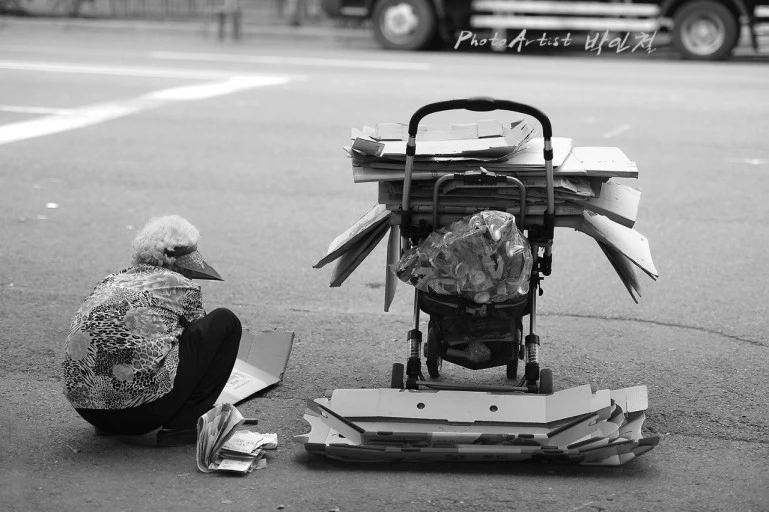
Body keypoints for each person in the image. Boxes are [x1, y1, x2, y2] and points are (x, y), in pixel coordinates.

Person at [62, 215, 242, 447]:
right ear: (179, 263)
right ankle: (182, 426)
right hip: (142, 414)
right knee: (225, 321)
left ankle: (107, 425)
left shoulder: (111, 281)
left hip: (87, 408)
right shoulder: (181, 285)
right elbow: (201, 346)